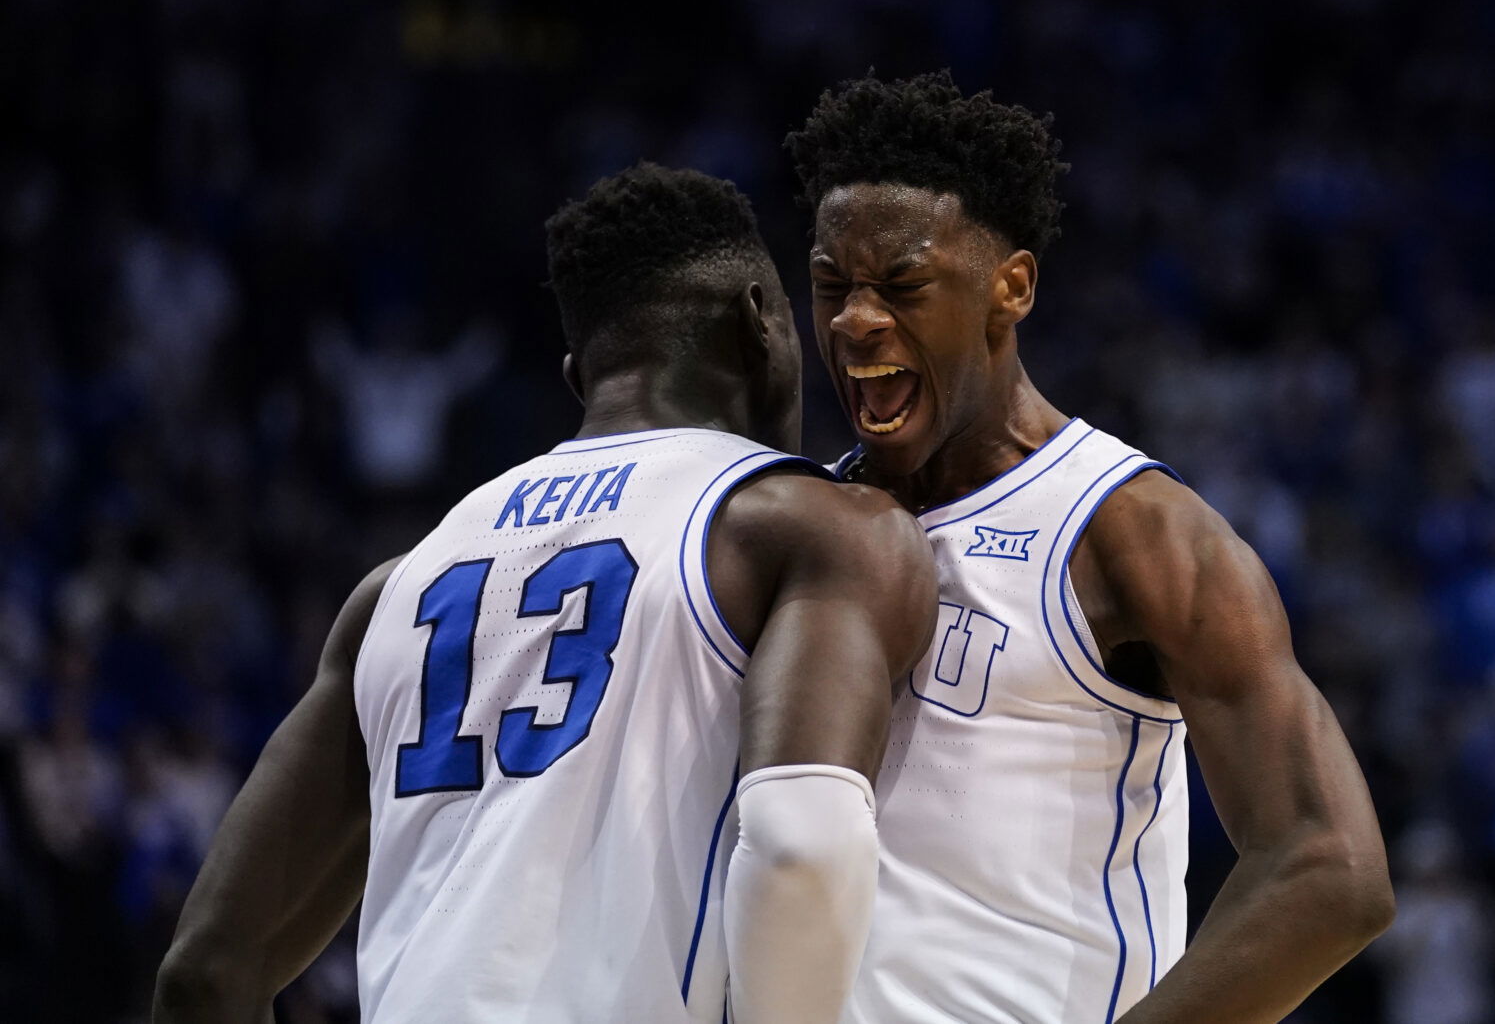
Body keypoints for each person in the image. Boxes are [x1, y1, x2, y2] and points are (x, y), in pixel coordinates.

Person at [152, 163, 938, 1023]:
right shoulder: (798, 529)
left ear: (578, 378)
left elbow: (204, 974)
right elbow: (802, 849)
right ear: (760, 321)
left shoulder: (392, 589)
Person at [784, 71, 1394, 1024]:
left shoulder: (1131, 529)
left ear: (1011, 287)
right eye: (831, 285)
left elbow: (1331, 868)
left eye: (902, 285)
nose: (855, 319)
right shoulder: (801, 522)